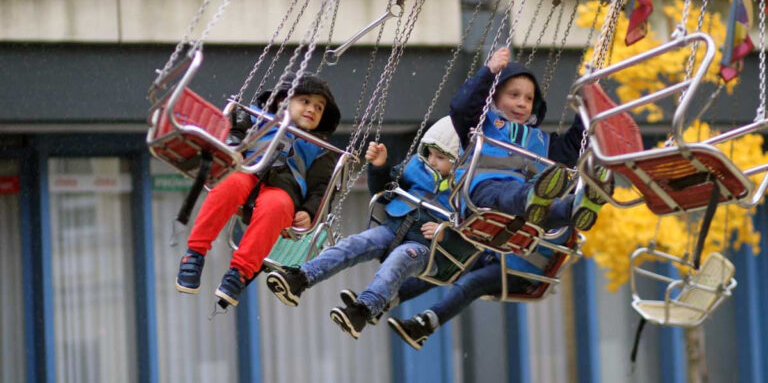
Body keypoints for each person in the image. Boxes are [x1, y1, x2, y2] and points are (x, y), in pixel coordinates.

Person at [265, 117, 471, 340]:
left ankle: (362, 311)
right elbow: (383, 193)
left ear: (458, 161)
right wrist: (379, 166)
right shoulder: (416, 166)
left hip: (425, 248)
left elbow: (471, 237)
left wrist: (445, 234)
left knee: (397, 262)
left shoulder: (466, 192)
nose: (431, 161)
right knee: (353, 245)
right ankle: (301, 278)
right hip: (393, 228)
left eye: (440, 158)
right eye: (429, 154)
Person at [174, 74, 341, 308]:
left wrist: (309, 211)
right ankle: (195, 253)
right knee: (229, 185)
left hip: (284, 187)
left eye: (319, 107)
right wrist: (234, 148)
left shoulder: (318, 148)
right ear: (283, 100)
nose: (312, 109)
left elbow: (321, 187)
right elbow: (234, 128)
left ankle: (240, 272)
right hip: (249, 170)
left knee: (278, 207)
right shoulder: (258, 118)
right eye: (305, 101)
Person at [450, 47, 611, 231]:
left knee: (550, 207)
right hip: (483, 193)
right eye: (514, 95)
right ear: (494, 96)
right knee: (510, 194)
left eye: (529, 99)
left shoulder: (539, 140)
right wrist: (489, 71)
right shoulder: (480, 122)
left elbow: (573, 146)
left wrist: (588, 104)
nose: (522, 103)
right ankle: (533, 197)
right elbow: (461, 107)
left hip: (527, 209)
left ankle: (579, 206)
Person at [387, 226, 575, 350]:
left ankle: (425, 325)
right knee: (448, 266)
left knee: (472, 283)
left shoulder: (563, 217)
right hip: (494, 256)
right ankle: (385, 301)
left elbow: (552, 234)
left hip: (519, 272)